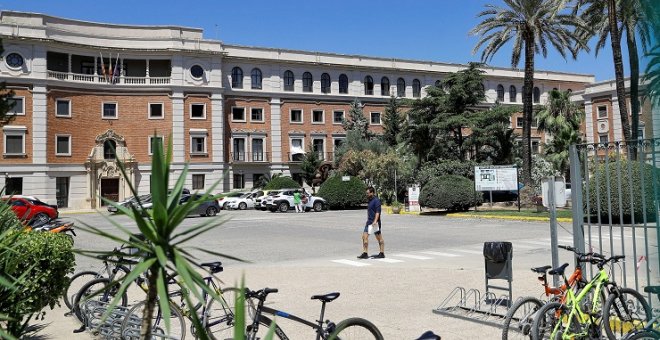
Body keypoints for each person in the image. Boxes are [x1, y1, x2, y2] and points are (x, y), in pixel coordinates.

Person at [357, 186, 384, 259]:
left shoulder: (376, 201)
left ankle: (382, 253)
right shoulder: (370, 200)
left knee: (379, 238)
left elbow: (378, 212)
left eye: (368, 193)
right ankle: (365, 253)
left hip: (375, 223)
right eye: (366, 193)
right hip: (368, 222)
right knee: (364, 237)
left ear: (372, 193)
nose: (367, 194)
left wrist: (375, 221)